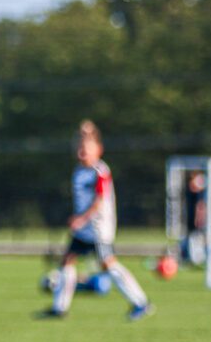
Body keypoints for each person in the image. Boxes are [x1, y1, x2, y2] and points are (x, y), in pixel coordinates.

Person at [40, 120, 153, 320]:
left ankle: (141, 302)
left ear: (99, 150)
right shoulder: (78, 171)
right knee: (67, 261)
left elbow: (100, 200)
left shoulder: (99, 171)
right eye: (80, 147)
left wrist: (81, 218)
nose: (82, 151)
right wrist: (85, 132)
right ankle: (60, 308)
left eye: (87, 148)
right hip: (83, 230)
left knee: (109, 264)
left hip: (98, 229)